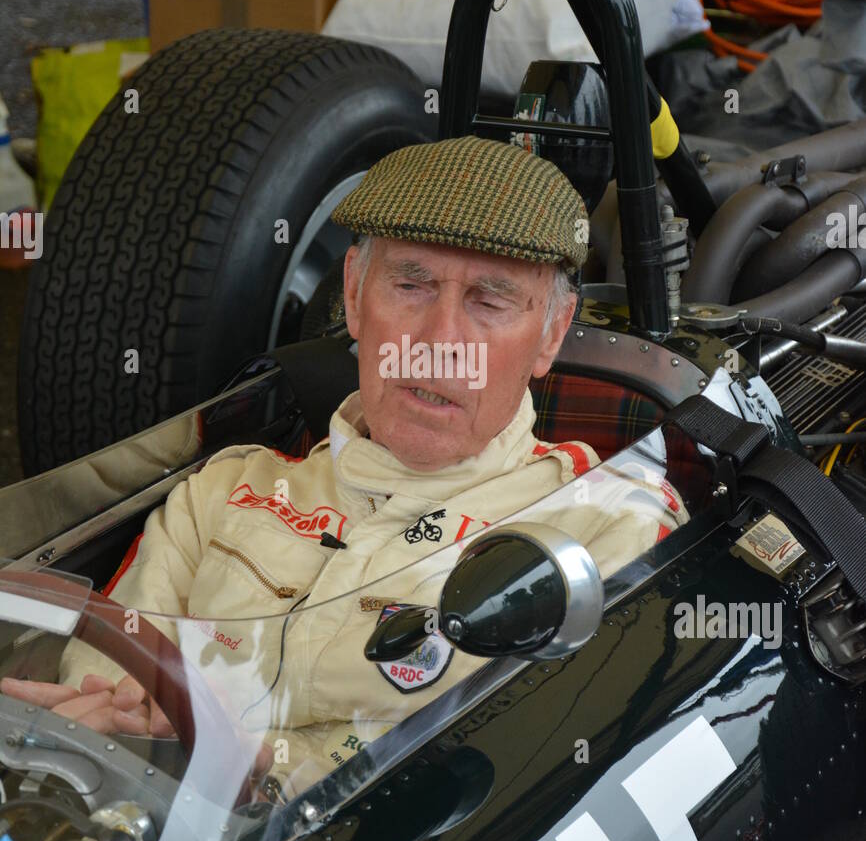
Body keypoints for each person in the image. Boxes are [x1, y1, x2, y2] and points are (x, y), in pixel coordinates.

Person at [1, 136, 684, 795]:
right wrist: (119, 731)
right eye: (411, 284)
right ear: (355, 296)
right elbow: (99, 684)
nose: (440, 341)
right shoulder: (223, 491)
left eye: (490, 300)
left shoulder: (606, 527)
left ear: (551, 335)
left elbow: (537, 782)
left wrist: (265, 769)